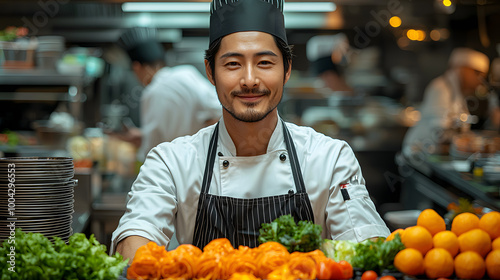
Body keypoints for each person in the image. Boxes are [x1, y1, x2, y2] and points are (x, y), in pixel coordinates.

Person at [111, 0, 390, 261]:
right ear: (210, 71)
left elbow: (366, 245)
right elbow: (135, 238)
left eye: (264, 63)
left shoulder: (331, 159)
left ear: (287, 68)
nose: (249, 80)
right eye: (232, 64)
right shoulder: (171, 162)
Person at [114, 27, 222, 162]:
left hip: (172, 169)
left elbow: (152, 150)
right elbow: (222, 111)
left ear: (137, 67)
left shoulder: (152, 92)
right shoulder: (186, 74)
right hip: (200, 164)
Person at [402, 48, 495, 157]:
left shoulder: (458, 93)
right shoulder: (441, 88)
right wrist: (469, 142)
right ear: (463, 69)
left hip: (434, 155)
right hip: (419, 155)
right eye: (477, 74)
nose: (480, 81)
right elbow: (438, 132)